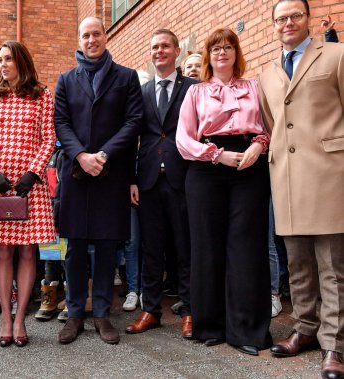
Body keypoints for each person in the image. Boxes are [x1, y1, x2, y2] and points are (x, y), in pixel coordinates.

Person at [258, 1, 344, 376]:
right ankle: (305, 329)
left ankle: (334, 345)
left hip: (329, 173)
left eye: (294, 15)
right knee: (298, 263)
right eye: (280, 18)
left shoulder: (337, 56)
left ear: (308, 19)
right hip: (287, 179)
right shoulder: (268, 73)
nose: (287, 23)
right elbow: (272, 121)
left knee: (332, 266)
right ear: (273, 25)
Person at [176, 27, 272, 356]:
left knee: (246, 247)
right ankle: (210, 325)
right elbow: (184, 139)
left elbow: (267, 127)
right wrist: (216, 154)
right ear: (208, 56)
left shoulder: (254, 88)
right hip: (207, 168)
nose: (222, 53)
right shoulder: (196, 92)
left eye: (228, 47)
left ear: (236, 53)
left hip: (249, 166)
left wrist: (258, 147)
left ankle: (246, 328)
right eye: (215, 48)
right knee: (207, 245)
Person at [54, 16, 142, 345]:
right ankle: (75, 312)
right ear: (79, 40)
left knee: (107, 245)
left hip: (111, 172)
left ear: (106, 37)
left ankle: (103, 313)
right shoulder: (66, 80)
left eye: (97, 34)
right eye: (86, 35)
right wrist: (81, 155)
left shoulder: (126, 77)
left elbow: (133, 122)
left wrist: (102, 155)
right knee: (75, 246)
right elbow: (61, 123)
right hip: (76, 174)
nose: (92, 40)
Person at [0, 40, 56, 348]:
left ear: (21, 60)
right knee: (4, 251)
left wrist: (33, 172)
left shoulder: (41, 95)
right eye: (0, 60)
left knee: (26, 251)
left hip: (30, 184)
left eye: (8, 59)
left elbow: (49, 137)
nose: (3, 65)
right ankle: (5, 318)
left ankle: (21, 317)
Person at [125, 29, 197, 339]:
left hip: (184, 179)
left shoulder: (194, 88)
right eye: (155, 47)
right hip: (149, 180)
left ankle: (190, 310)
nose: (159, 51)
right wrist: (131, 179)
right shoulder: (140, 93)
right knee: (150, 249)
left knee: (185, 247)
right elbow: (131, 138)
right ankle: (150, 310)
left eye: (165, 46)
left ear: (177, 51)